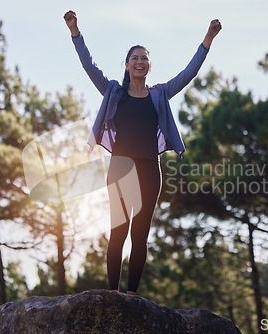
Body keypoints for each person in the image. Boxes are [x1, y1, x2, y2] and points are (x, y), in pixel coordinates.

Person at [63, 10, 221, 295]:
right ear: (126, 65)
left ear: (149, 66)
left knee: (140, 235)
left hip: (150, 170)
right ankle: (113, 294)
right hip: (120, 169)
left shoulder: (160, 93)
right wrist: (76, 32)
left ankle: (132, 295)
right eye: (134, 58)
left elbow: (189, 73)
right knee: (118, 232)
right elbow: (89, 66)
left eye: (144, 58)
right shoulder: (114, 91)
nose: (139, 61)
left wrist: (207, 40)